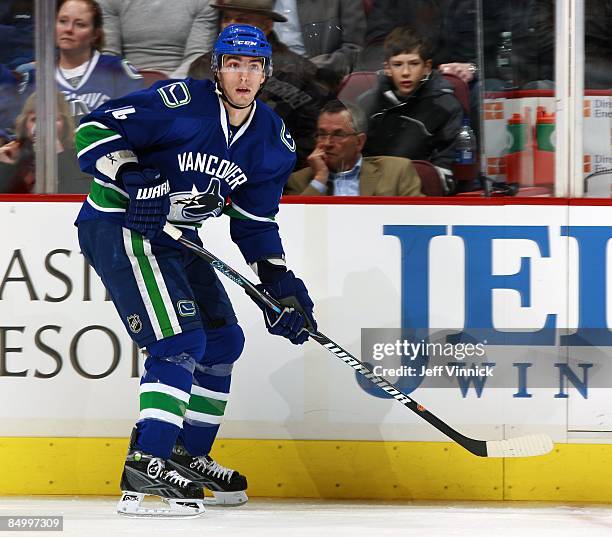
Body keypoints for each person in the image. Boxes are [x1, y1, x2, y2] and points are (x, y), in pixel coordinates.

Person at [74, 24, 317, 517]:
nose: (243, 75)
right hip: (122, 224)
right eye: (233, 64)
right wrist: (132, 175)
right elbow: (92, 130)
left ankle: (187, 454)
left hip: (178, 236)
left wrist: (280, 286)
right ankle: (147, 463)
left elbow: (254, 222)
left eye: (253, 66)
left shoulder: (272, 141)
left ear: (266, 72)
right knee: (178, 343)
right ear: (218, 68)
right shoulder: (179, 102)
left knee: (224, 340)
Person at [188, 0, 329, 170]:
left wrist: (272, 165)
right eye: (226, 18)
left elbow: (312, 136)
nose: (230, 26)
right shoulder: (201, 66)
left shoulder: (302, 72)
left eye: (241, 19)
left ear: (266, 26)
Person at [18, 0, 145, 123]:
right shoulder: (36, 76)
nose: (68, 29)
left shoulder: (117, 70)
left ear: (95, 34)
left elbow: (137, 120)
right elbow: (19, 129)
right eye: (63, 21)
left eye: (80, 24)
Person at [359, 27, 462, 177]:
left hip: (419, 190)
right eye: (397, 64)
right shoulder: (367, 103)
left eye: (414, 64)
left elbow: (445, 169)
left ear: (427, 67)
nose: (406, 72)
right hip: (372, 187)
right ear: (387, 68)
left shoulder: (446, 107)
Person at [286, 100, 422, 196]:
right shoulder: (298, 181)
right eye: (322, 134)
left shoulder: (397, 172)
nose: (327, 143)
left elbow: (421, 222)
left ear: (359, 142)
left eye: (338, 135)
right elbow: (296, 228)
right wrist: (320, 179)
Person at [97, 0, 218, 78]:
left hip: (181, 83)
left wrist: (165, 89)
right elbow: (109, 54)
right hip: (124, 81)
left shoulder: (204, 2)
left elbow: (197, 56)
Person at [0, 92, 89, 193]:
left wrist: (59, 153)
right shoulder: (15, 155)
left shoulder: (80, 156)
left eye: (53, 119)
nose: (42, 126)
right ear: (25, 124)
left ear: (65, 124)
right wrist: (5, 167)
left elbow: (80, 196)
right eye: (34, 119)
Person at [271, 0, 366, 78]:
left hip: (314, 79)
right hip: (268, 74)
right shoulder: (261, 4)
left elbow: (354, 50)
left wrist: (311, 68)